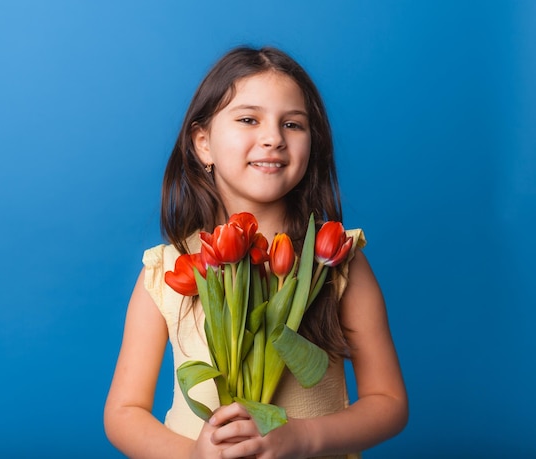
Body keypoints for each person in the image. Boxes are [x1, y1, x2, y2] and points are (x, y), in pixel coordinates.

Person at [104, 46, 408, 459]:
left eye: (293, 124)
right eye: (249, 119)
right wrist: (194, 455)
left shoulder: (338, 261)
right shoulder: (167, 269)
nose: (273, 138)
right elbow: (124, 412)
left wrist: (302, 439)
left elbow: (388, 403)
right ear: (202, 144)